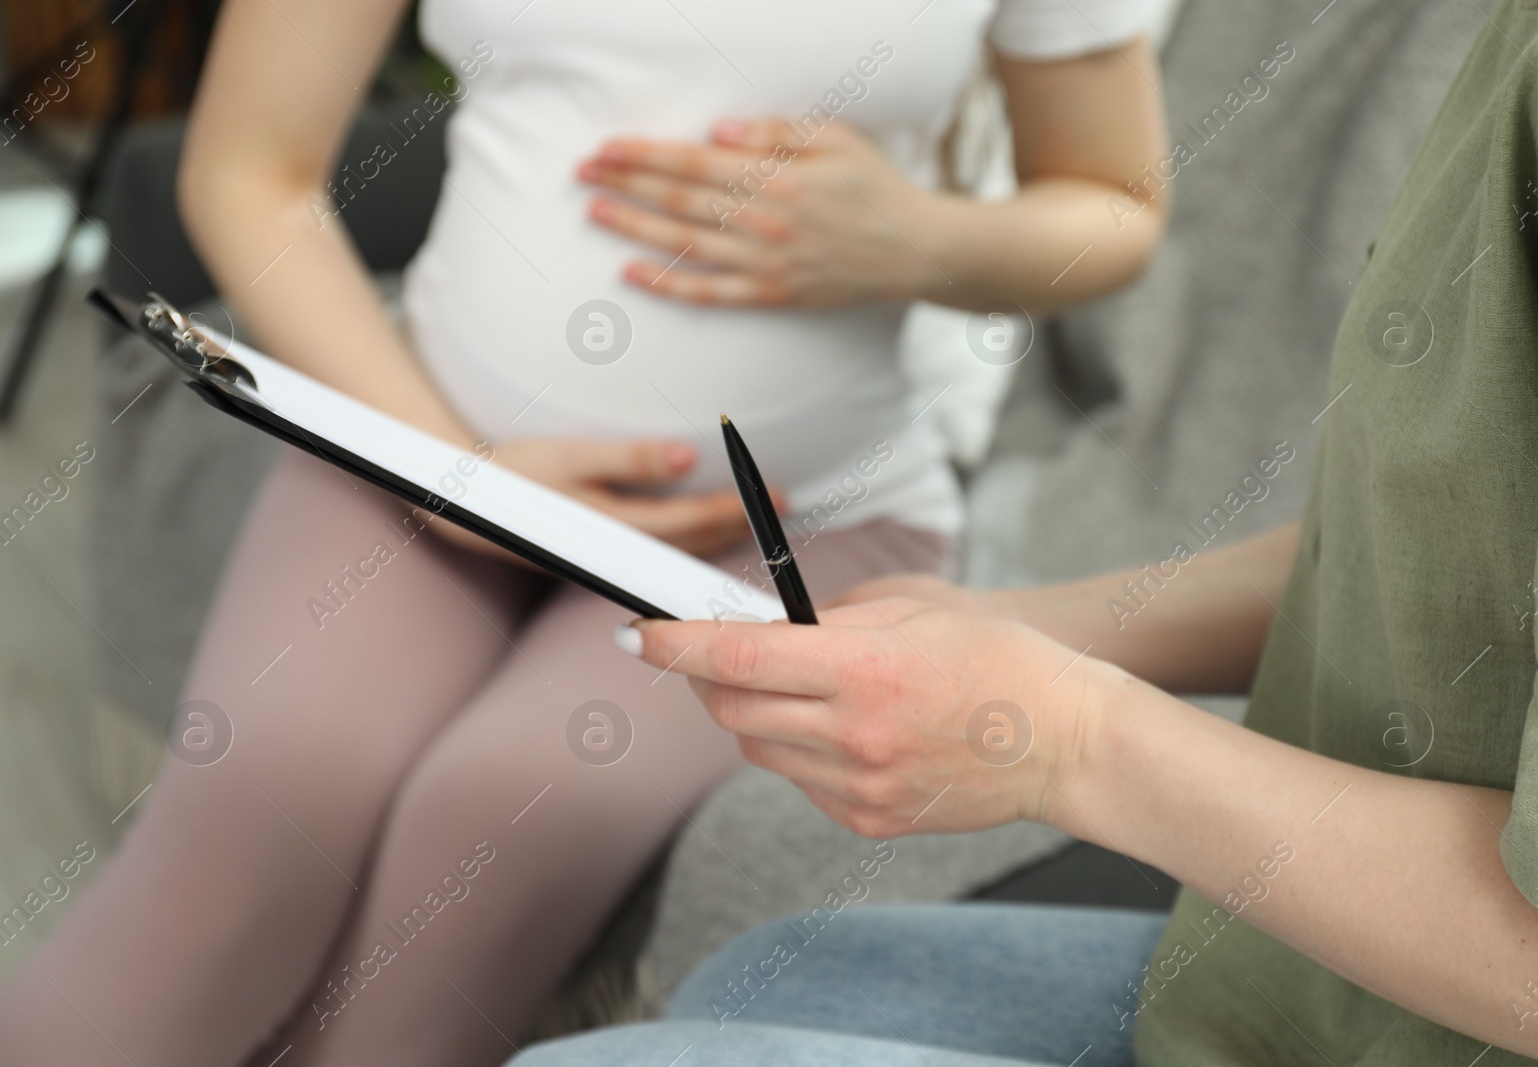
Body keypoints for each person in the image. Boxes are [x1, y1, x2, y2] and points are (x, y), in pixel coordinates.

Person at [0, 1, 1172, 1065]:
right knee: (256, 813)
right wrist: (453, 475)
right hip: (416, 453)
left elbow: (1115, 203)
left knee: (500, 814)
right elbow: (251, 170)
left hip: (806, 523)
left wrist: (918, 240)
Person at [557, 0, 1538, 1063]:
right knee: (747, 974)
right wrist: (1017, 622)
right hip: (1305, 984)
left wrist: (1060, 738)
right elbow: (1445, 533)